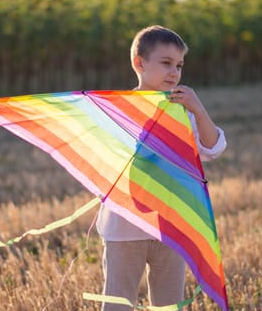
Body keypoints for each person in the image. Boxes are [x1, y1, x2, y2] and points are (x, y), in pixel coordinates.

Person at [96, 25, 227, 310]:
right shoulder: (117, 111)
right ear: (139, 63)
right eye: (166, 63)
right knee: (118, 304)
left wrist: (198, 109)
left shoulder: (181, 111)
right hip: (123, 228)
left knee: (169, 305)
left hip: (171, 226)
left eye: (179, 65)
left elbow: (214, 148)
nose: (174, 72)